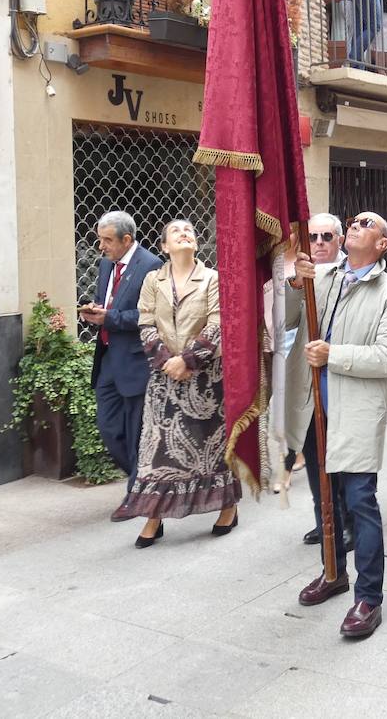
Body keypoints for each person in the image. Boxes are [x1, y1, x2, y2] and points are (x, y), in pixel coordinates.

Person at [289, 212, 387, 639]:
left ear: (382, 245)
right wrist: (292, 280)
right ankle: (333, 572)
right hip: (316, 409)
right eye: (353, 222)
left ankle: (368, 598)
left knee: (360, 502)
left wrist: (333, 355)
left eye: (366, 224)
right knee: (326, 500)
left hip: (355, 411)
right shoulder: (324, 279)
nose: (355, 225)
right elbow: (288, 320)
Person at [111, 220, 238, 545]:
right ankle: (154, 517)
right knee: (158, 450)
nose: (184, 233)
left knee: (209, 448)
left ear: (196, 244)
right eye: (176, 231)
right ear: (165, 246)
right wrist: (167, 359)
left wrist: (190, 359)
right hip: (163, 375)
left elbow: (218, 320)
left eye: (189, 231)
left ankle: (227, 507)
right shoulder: (153, 279)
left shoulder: (212, 279)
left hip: (206, 379)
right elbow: (145, 320)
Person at [81, 211, 163, 485]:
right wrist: (94, 313)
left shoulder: (151, 265)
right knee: (108, 427)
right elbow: (104, 302)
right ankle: (144, 481)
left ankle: (136, 492)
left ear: (126, 239)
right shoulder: (106, 265)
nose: (101, 246)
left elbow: (151, 316)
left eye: (106, 240)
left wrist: (110, 318)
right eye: (99, 239)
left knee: (134, 431)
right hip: (107, 362)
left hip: (136, 362)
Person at [285, 213, 348, 546]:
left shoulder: (353, 273)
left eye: (326, 236)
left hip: (343, 377)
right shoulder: (299, 275)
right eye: (313, 237)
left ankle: (347, 521)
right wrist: (296, 284)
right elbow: (286, 321)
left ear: (339, 239)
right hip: (309, 379)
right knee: (313, 454)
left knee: (342, 457)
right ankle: (323, 518)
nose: (320, 243)